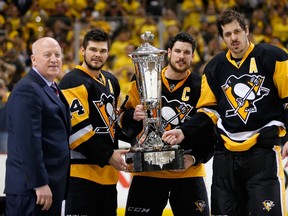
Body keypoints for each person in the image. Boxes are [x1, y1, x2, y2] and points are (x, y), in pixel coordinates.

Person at [162, 9, 288, 216]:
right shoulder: (214, 67)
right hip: (225, 157)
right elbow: (208, 111)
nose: (234, 38)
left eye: (237, 31)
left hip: (263, 153)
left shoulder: (275, 57)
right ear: (222, 37)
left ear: (246, 30)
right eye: (227, 34)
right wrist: (184, 131)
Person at [120, 32, 215, 216]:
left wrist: (195, 157)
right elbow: (124, 126)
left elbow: (209, 127)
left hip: (187, 173)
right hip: (148, 174)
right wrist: (134, 116)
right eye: (178, 51)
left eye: (186, 52)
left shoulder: (201, 85)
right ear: (169, 53)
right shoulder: (141, 80)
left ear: (193, 56)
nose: (181, 56)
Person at [59, 28, 129, 216]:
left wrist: (134, 125)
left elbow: (111, 125)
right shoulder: (72, 81)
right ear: (83, 50)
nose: (97, 55)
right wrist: (108, 155)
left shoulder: (112, 81)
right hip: (80, 176)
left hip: (108, 177)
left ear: (108, 52)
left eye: (102, 51)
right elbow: (77, 132)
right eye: (93, 50)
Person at [4, 37, 71, 216]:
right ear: (34, 60)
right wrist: (39, 183)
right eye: (47, 55)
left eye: (57, 54)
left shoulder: (51, 88)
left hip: (48, 188)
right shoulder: (28, 89)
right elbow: (27, 142)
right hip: (32, 191)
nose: (54, 59)